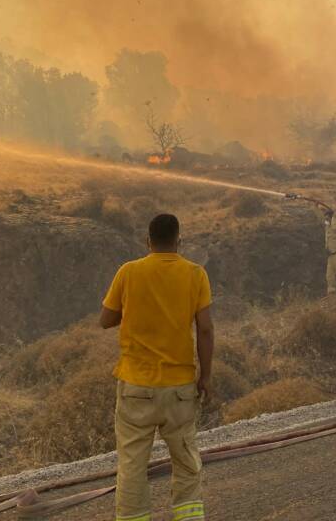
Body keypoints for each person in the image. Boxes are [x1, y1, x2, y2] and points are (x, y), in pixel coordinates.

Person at [100, 213, 213, 521]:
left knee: (132, 466)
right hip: (179, 388)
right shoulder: (196, 274)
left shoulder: (128, 272)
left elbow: (105, 320)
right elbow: (205, 329)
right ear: (179, 241)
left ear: (147, 241)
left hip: (136, 388)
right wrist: (206, 376)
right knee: (186, 462)